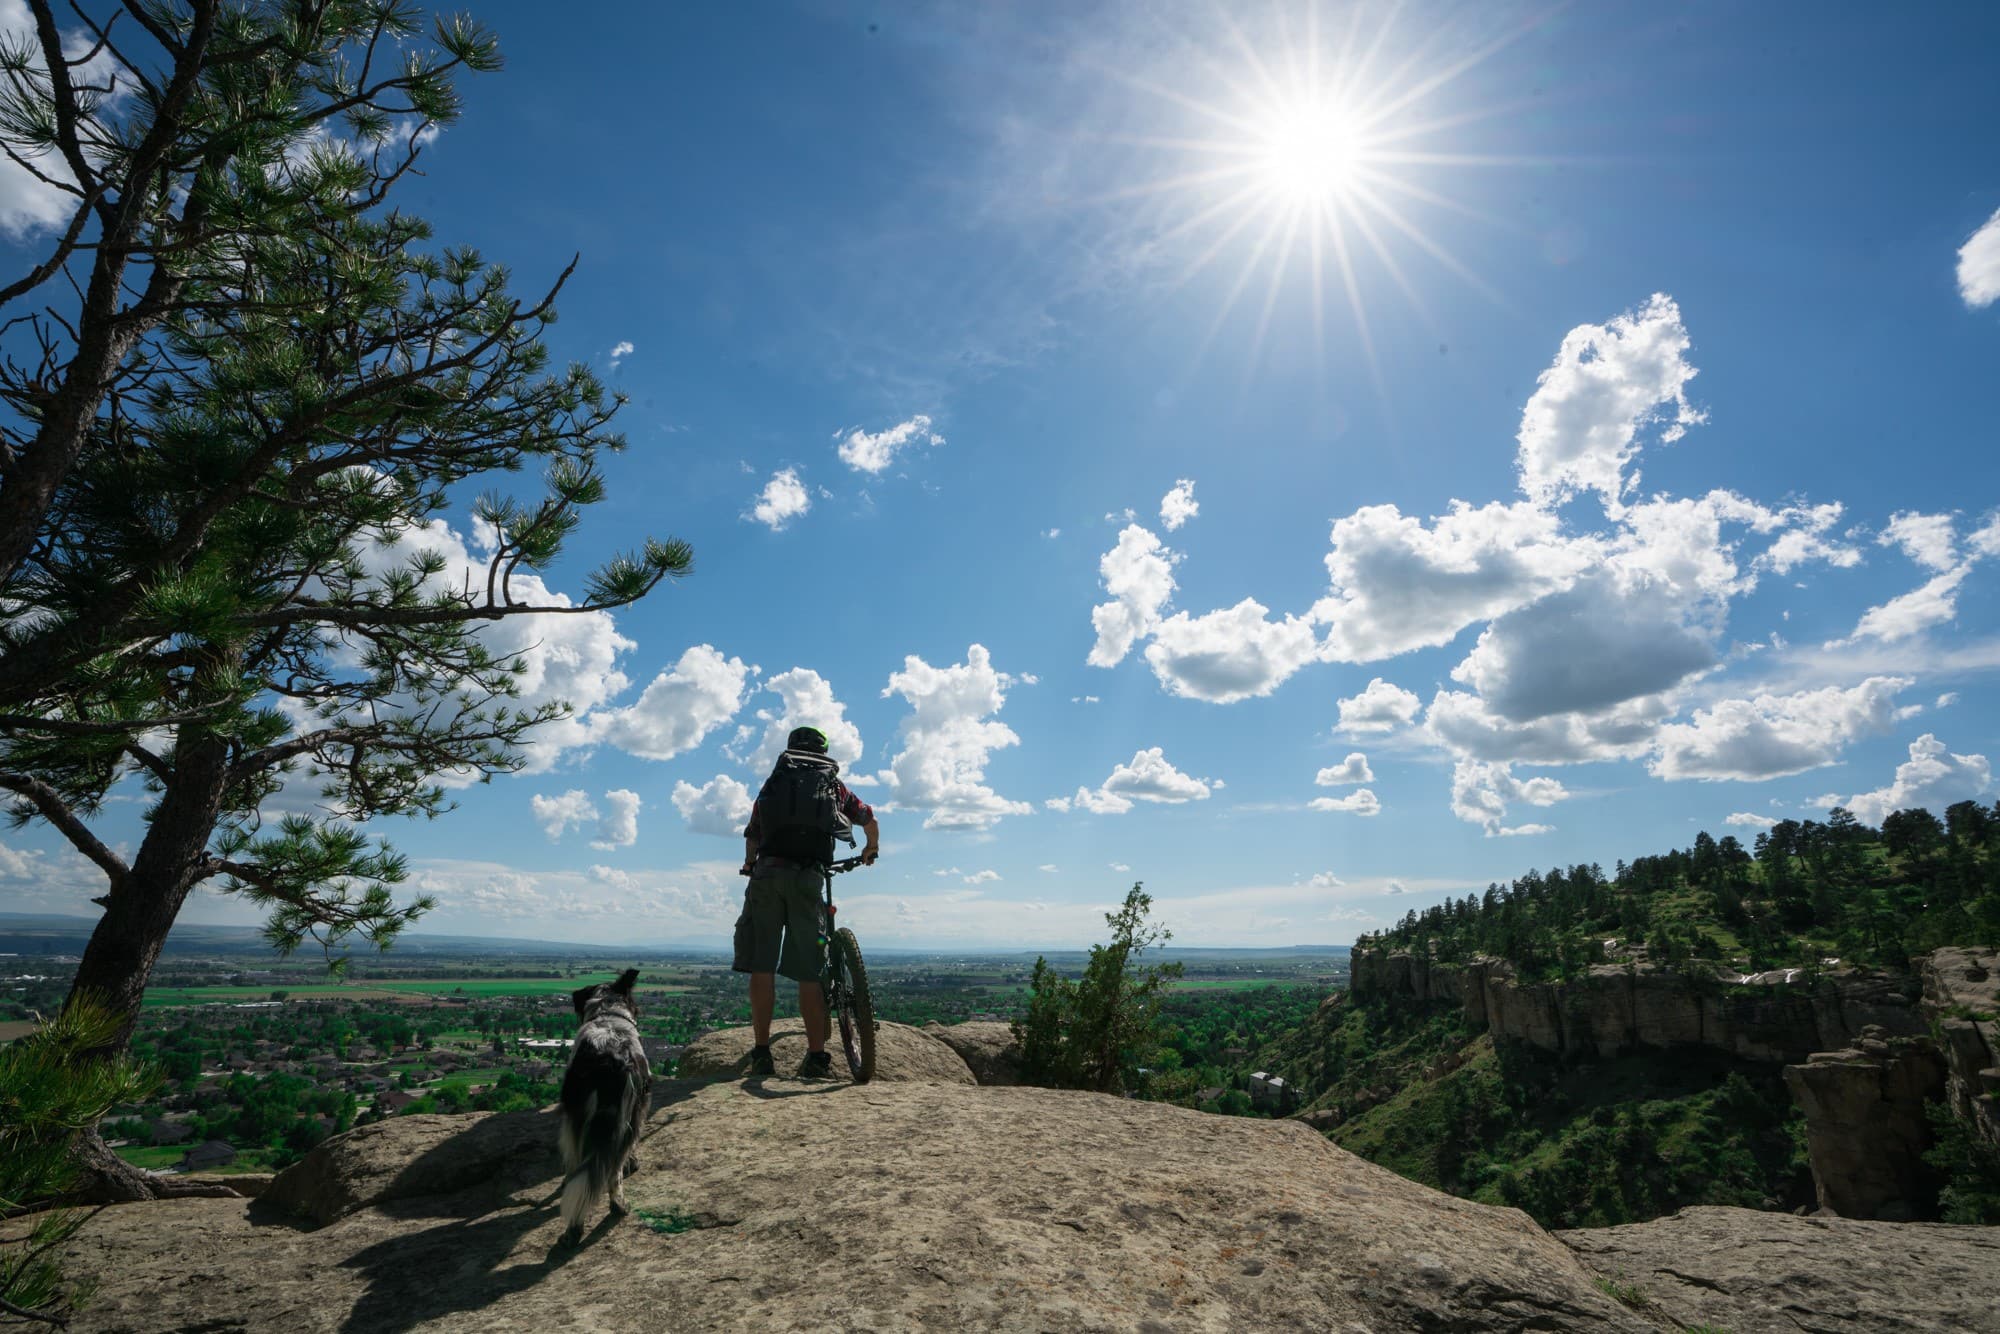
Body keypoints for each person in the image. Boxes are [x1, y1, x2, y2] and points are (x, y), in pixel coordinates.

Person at [734, 725, 880, 1077]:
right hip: (809, 877)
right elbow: (869, 818)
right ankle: (816, 1058)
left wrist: (750, 863)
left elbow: (753, 834)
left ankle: (762, 1053)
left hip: (767, 877)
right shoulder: (835, 787)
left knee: (762, 964)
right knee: (810, 970)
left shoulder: (773, 784)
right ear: (824, 751)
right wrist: (869, 849)